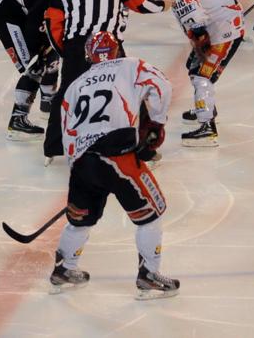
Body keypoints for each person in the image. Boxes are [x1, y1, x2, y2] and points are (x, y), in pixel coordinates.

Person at [48, 31, 180, 300]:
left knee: (79, 220)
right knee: (152, 214)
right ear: (117, 49)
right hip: (117, 155)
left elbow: (66, 130)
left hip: (83, 160)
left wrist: (79, 167)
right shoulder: (130, 65)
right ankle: (149, 275)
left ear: (89, 56)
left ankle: (64, 269)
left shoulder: (75, 84)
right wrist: (155, 122)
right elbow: (161, 85)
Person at [42, 0, 170, 165]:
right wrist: (163, 5)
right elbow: (141, 4)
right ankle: (145, 149)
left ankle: (53, 147)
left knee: (66, 94)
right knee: (128, 92)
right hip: (110, 45)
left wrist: (69, 53)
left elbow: (54, 26)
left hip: (76, 45)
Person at [144, 0, 244, 147]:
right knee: (194, 68)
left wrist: (201, 38)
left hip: (224, 31)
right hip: (223, 22)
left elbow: (195, 18)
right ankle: (205, 107)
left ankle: (207, 127)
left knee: (201, 75)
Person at [0, 0, 73, 140]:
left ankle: (48, 105)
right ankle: (17, 121)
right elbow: (34, 23)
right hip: (9, 17)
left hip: (22, 13)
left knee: (50, 48)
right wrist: (36, 49)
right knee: (35, 64)